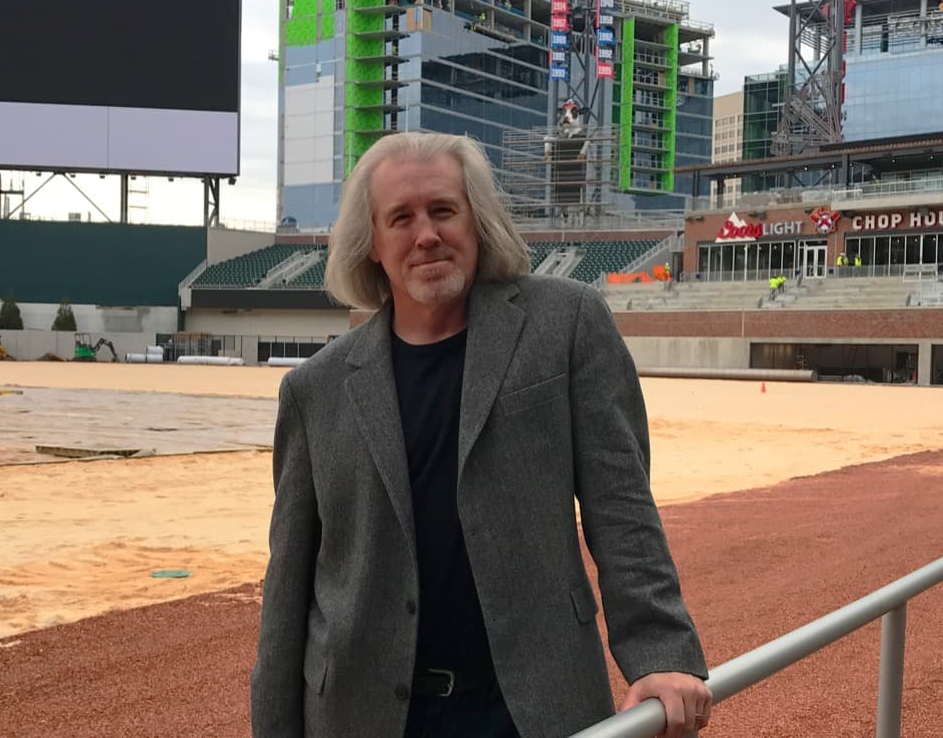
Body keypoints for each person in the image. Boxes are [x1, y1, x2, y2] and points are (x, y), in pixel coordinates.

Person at [251, 132, 710, 738]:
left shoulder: (566, 324)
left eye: (444, 210)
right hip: (362, 713)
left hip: (531, 707)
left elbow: (621, 507)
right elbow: (288, 587)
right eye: (401, 218)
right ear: (372, 244)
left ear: (478, 222)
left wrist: (661, 653)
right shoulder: (314, 390)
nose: (427, 235)